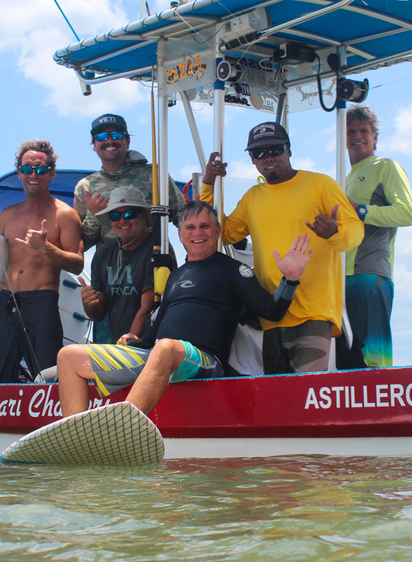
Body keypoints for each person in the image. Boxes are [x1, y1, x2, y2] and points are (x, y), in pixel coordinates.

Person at [56, 200, 313, 416]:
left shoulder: (233, 270)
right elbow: (157, 325)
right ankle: (75, 438)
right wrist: (136, 339)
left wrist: (290, 280)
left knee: (167, 346)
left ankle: (125, 430)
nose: (197, 233)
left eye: (204, 226)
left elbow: (272, 311)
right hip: (160, 356)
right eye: (190, 227)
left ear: (217, 230)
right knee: (69, 357)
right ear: (180, 234)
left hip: (204, 361)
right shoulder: (176, 276)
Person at [201, 121, 363, 374]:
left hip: (314, 313)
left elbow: (356, 232)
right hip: (273, 314)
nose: (268, 158)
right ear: (252, 160)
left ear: (289, 150)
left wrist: (335, 233)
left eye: (275, 149)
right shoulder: (253, 197)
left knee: (308, 394)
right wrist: (208, 185)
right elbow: (221, 235)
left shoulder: (321, 184)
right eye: (259, 153)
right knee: (279, 399)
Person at [0, 140, 84, 383]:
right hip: (6, 301)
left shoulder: (65, 215)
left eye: (40, 168)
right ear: (19, 173)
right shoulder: (7, 215)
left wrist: (46, 248)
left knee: (47, 377)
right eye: (27, 169)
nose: (33, 174)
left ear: (52, 173)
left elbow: (77, 264)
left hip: (41, 303)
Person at [343, 105, 412, 368]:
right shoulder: (343, 177)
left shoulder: (387, 167)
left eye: (364, 130)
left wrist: (360, 210)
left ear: (375, 137)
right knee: (348, 360)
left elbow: (406, 214)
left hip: (371, 274)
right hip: (341, 279)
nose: (357, 136)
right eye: (350, 131)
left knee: (373, 358)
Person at [72, 113, 186, 250]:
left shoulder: (154, 174)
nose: (109, 141)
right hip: (108, 267)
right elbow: (79, 246)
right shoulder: (84, 187)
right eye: (102, 137)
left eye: (117, 135)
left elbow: (183, 218)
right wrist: (95, 216)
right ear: (94, 145)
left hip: (154, 263)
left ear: (127, 141)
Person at [79, 185, 176, 344]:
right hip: (122, 345)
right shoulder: (103, 253)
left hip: (152, 345)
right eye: (115, 215)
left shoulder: (159, 248)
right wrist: (89, 304)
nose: (122, 220)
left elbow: (147, 307)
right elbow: (98, 315)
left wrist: (131, 339)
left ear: (144, 215)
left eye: (130, 213)